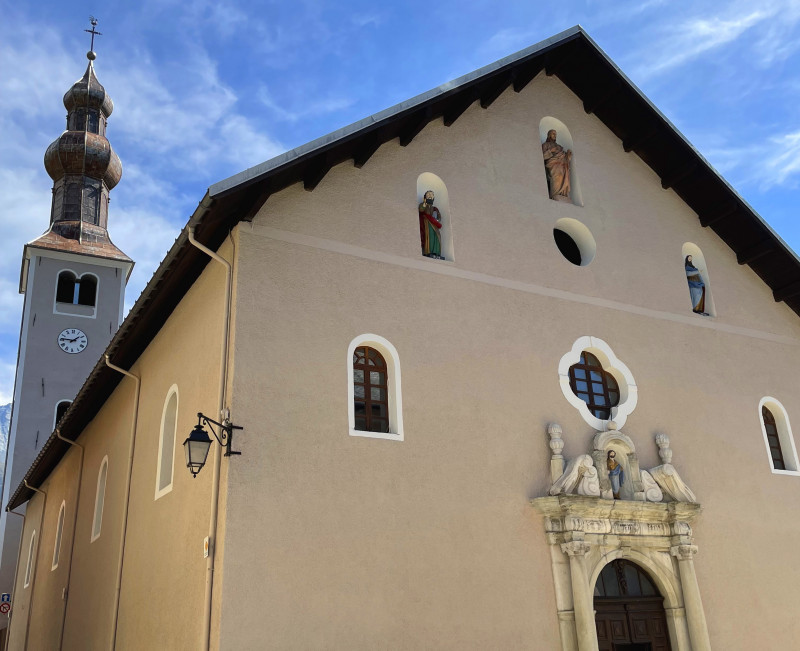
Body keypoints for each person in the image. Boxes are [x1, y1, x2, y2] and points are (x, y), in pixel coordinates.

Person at [541, 129, 572, 201]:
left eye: (555, 134)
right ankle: (554, 195)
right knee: (557, 177)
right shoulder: (545, 145)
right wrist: (550, 151)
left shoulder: (559, 147)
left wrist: (568, 157)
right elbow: (542, 157)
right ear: (549, 135)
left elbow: (564, 157)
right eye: (553, 134)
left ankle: (563, 194)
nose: (555, 135)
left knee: (563, 176)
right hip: (553, 165)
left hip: (562, 165)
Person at [418, 190, 443, 259]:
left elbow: (439, 217)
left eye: (432, 194)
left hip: (435, 225)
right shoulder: (423, 205)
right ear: (425, 197)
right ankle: (429, 252)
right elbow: (421, 209)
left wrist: (436, 220)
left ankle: (437, 253)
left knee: (437, 238)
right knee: (430, 237)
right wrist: (425, 203)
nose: (430, 195)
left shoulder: (435, 209)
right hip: (427, 225)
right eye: (428, 194)